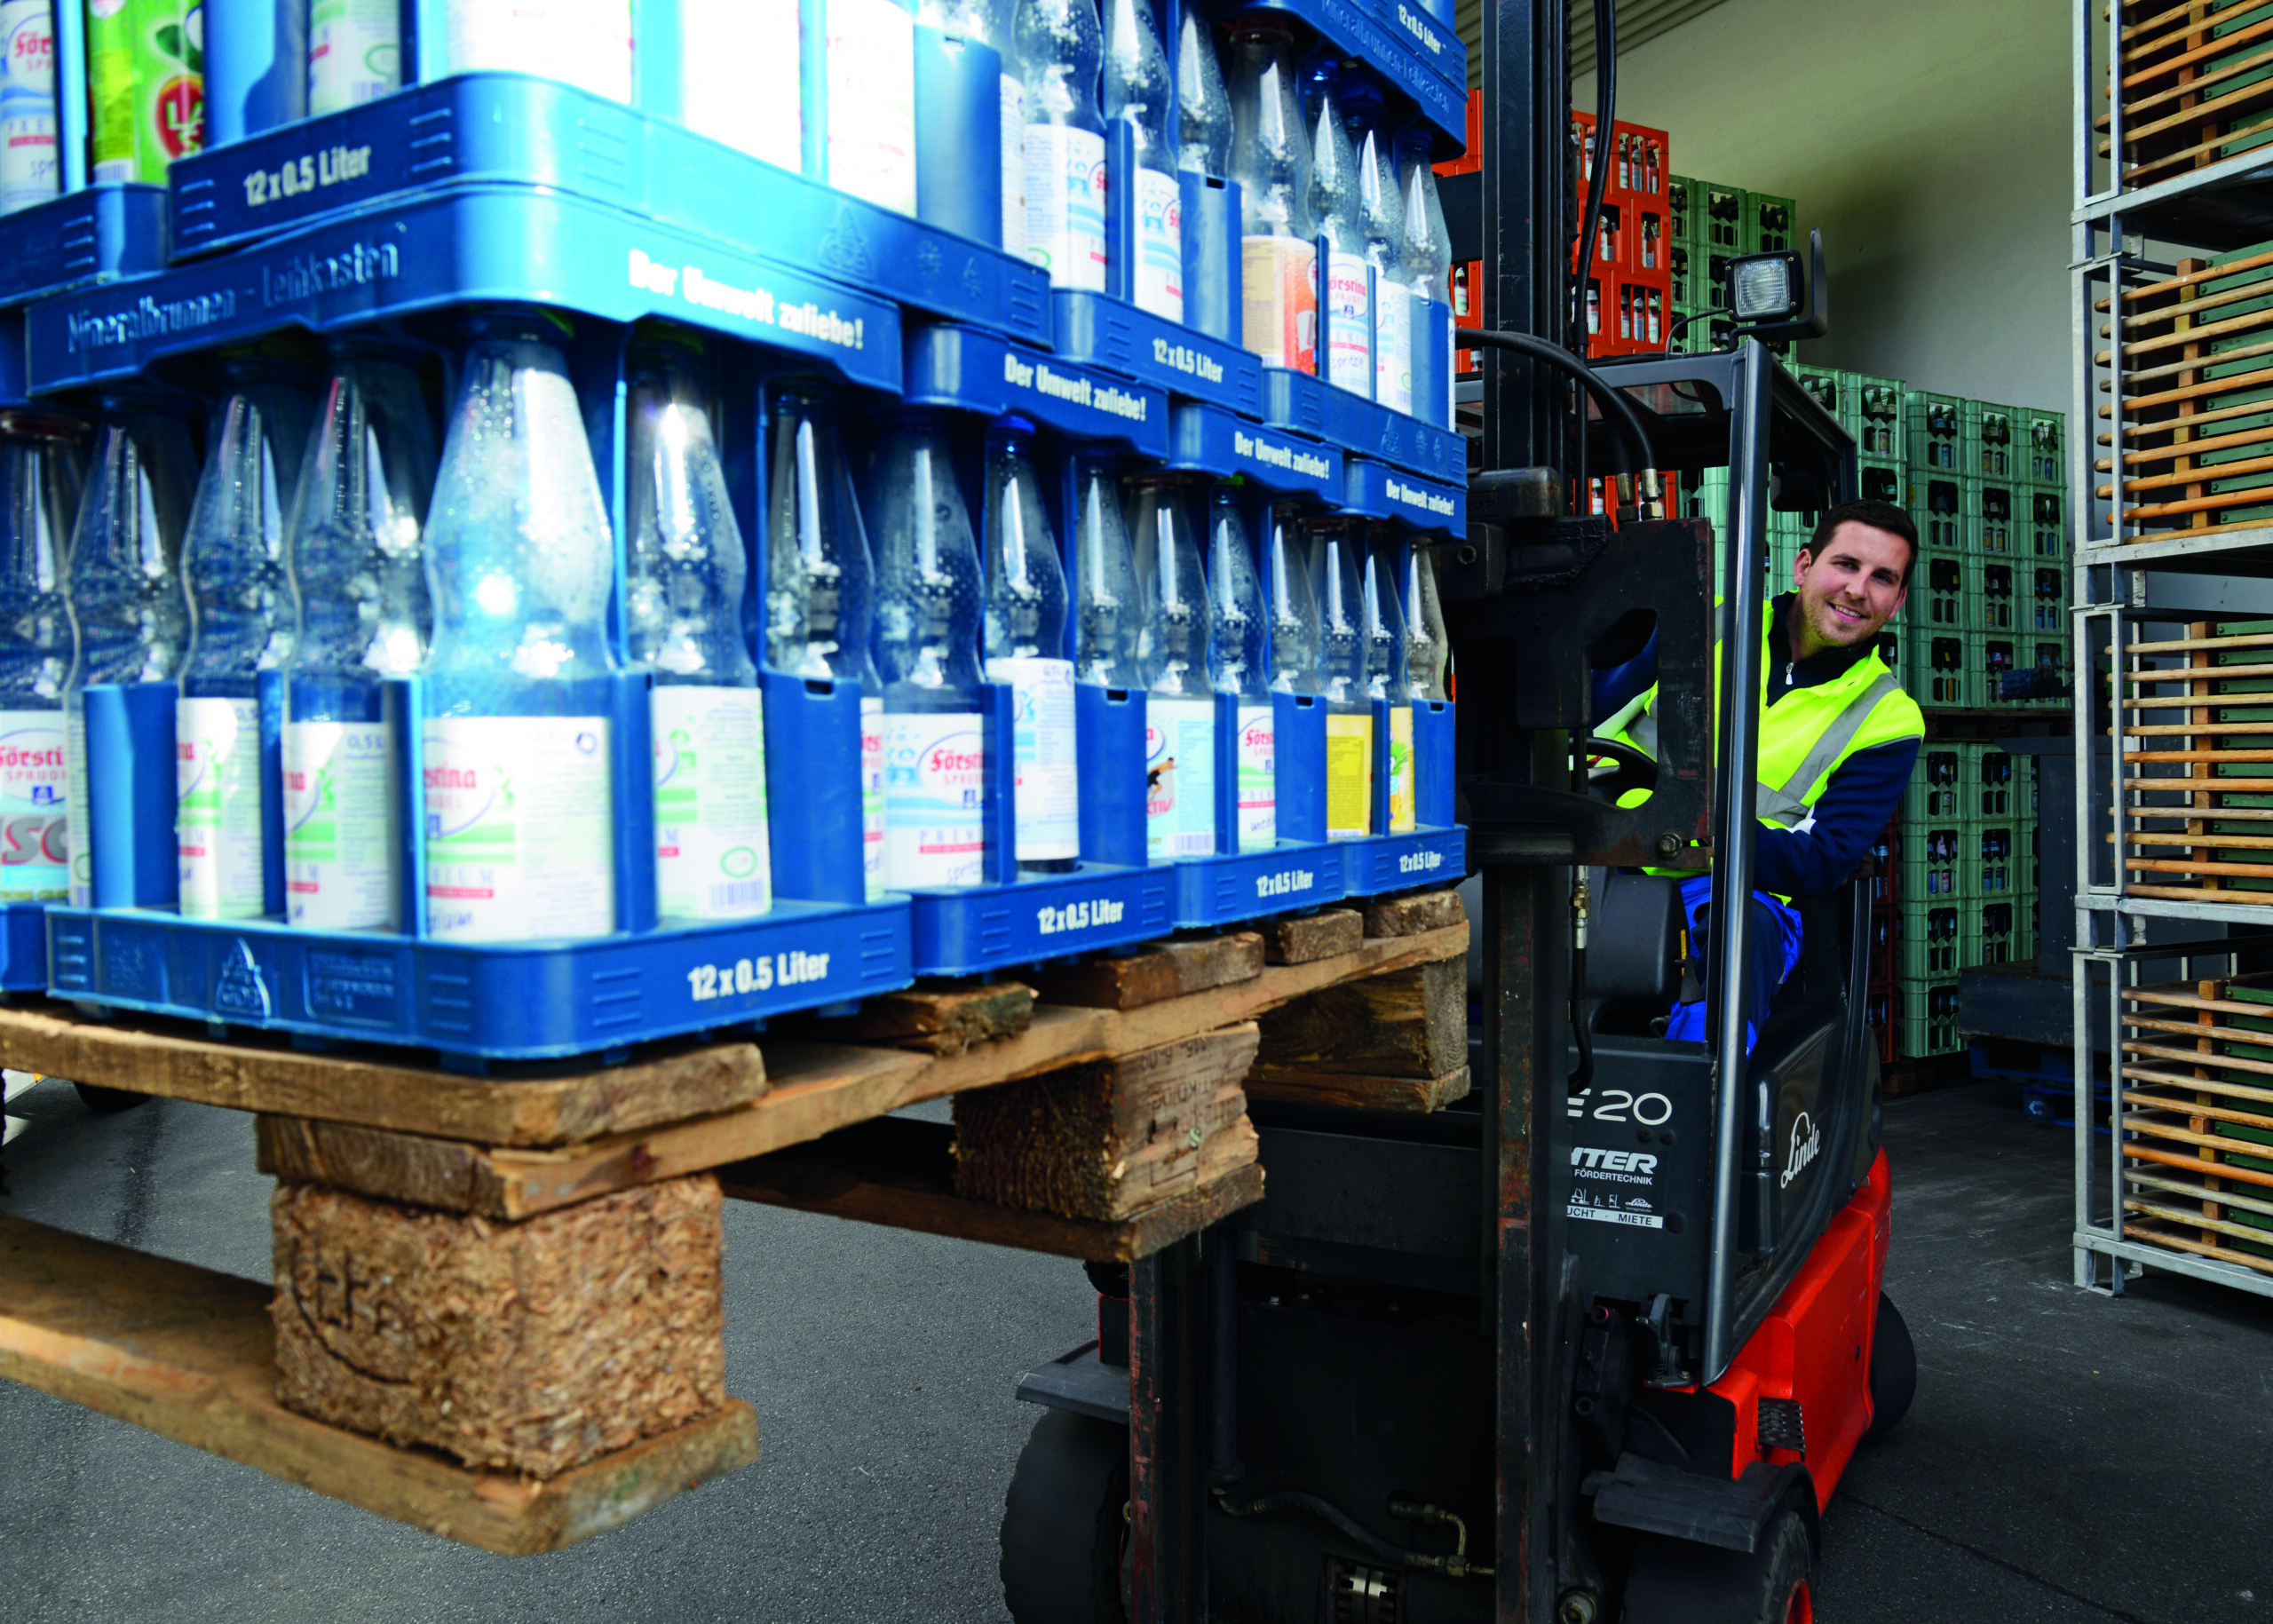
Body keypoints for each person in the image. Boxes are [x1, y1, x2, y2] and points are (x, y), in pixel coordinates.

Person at [1593, 496, 1923, 1048]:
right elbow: (1586, 720)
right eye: (1846, 564)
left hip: (1733, 886)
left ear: (1898, 602)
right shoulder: (1700, 623)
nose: (1858, 590)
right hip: (1603, 850)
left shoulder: (1887, 717)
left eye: (1882, 578)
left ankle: (1696, 1104)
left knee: (1738, 941)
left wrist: (1703, 834)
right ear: (1804, 566)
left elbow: (1824, 859)